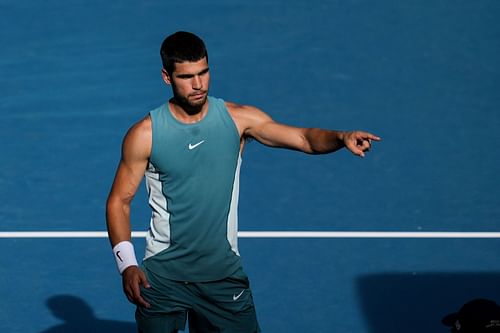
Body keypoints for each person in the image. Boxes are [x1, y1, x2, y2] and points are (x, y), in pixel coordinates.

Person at [106, 31, 381, 333]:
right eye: (187, 77)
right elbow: (119, 201)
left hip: (223, 276)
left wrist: (340, 137)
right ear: (166, 77)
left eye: (204, 72)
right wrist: (127, 265)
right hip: (162, 278)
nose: (198, 85)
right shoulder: (145, 134)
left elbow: (304, 139)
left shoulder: (239, 119)